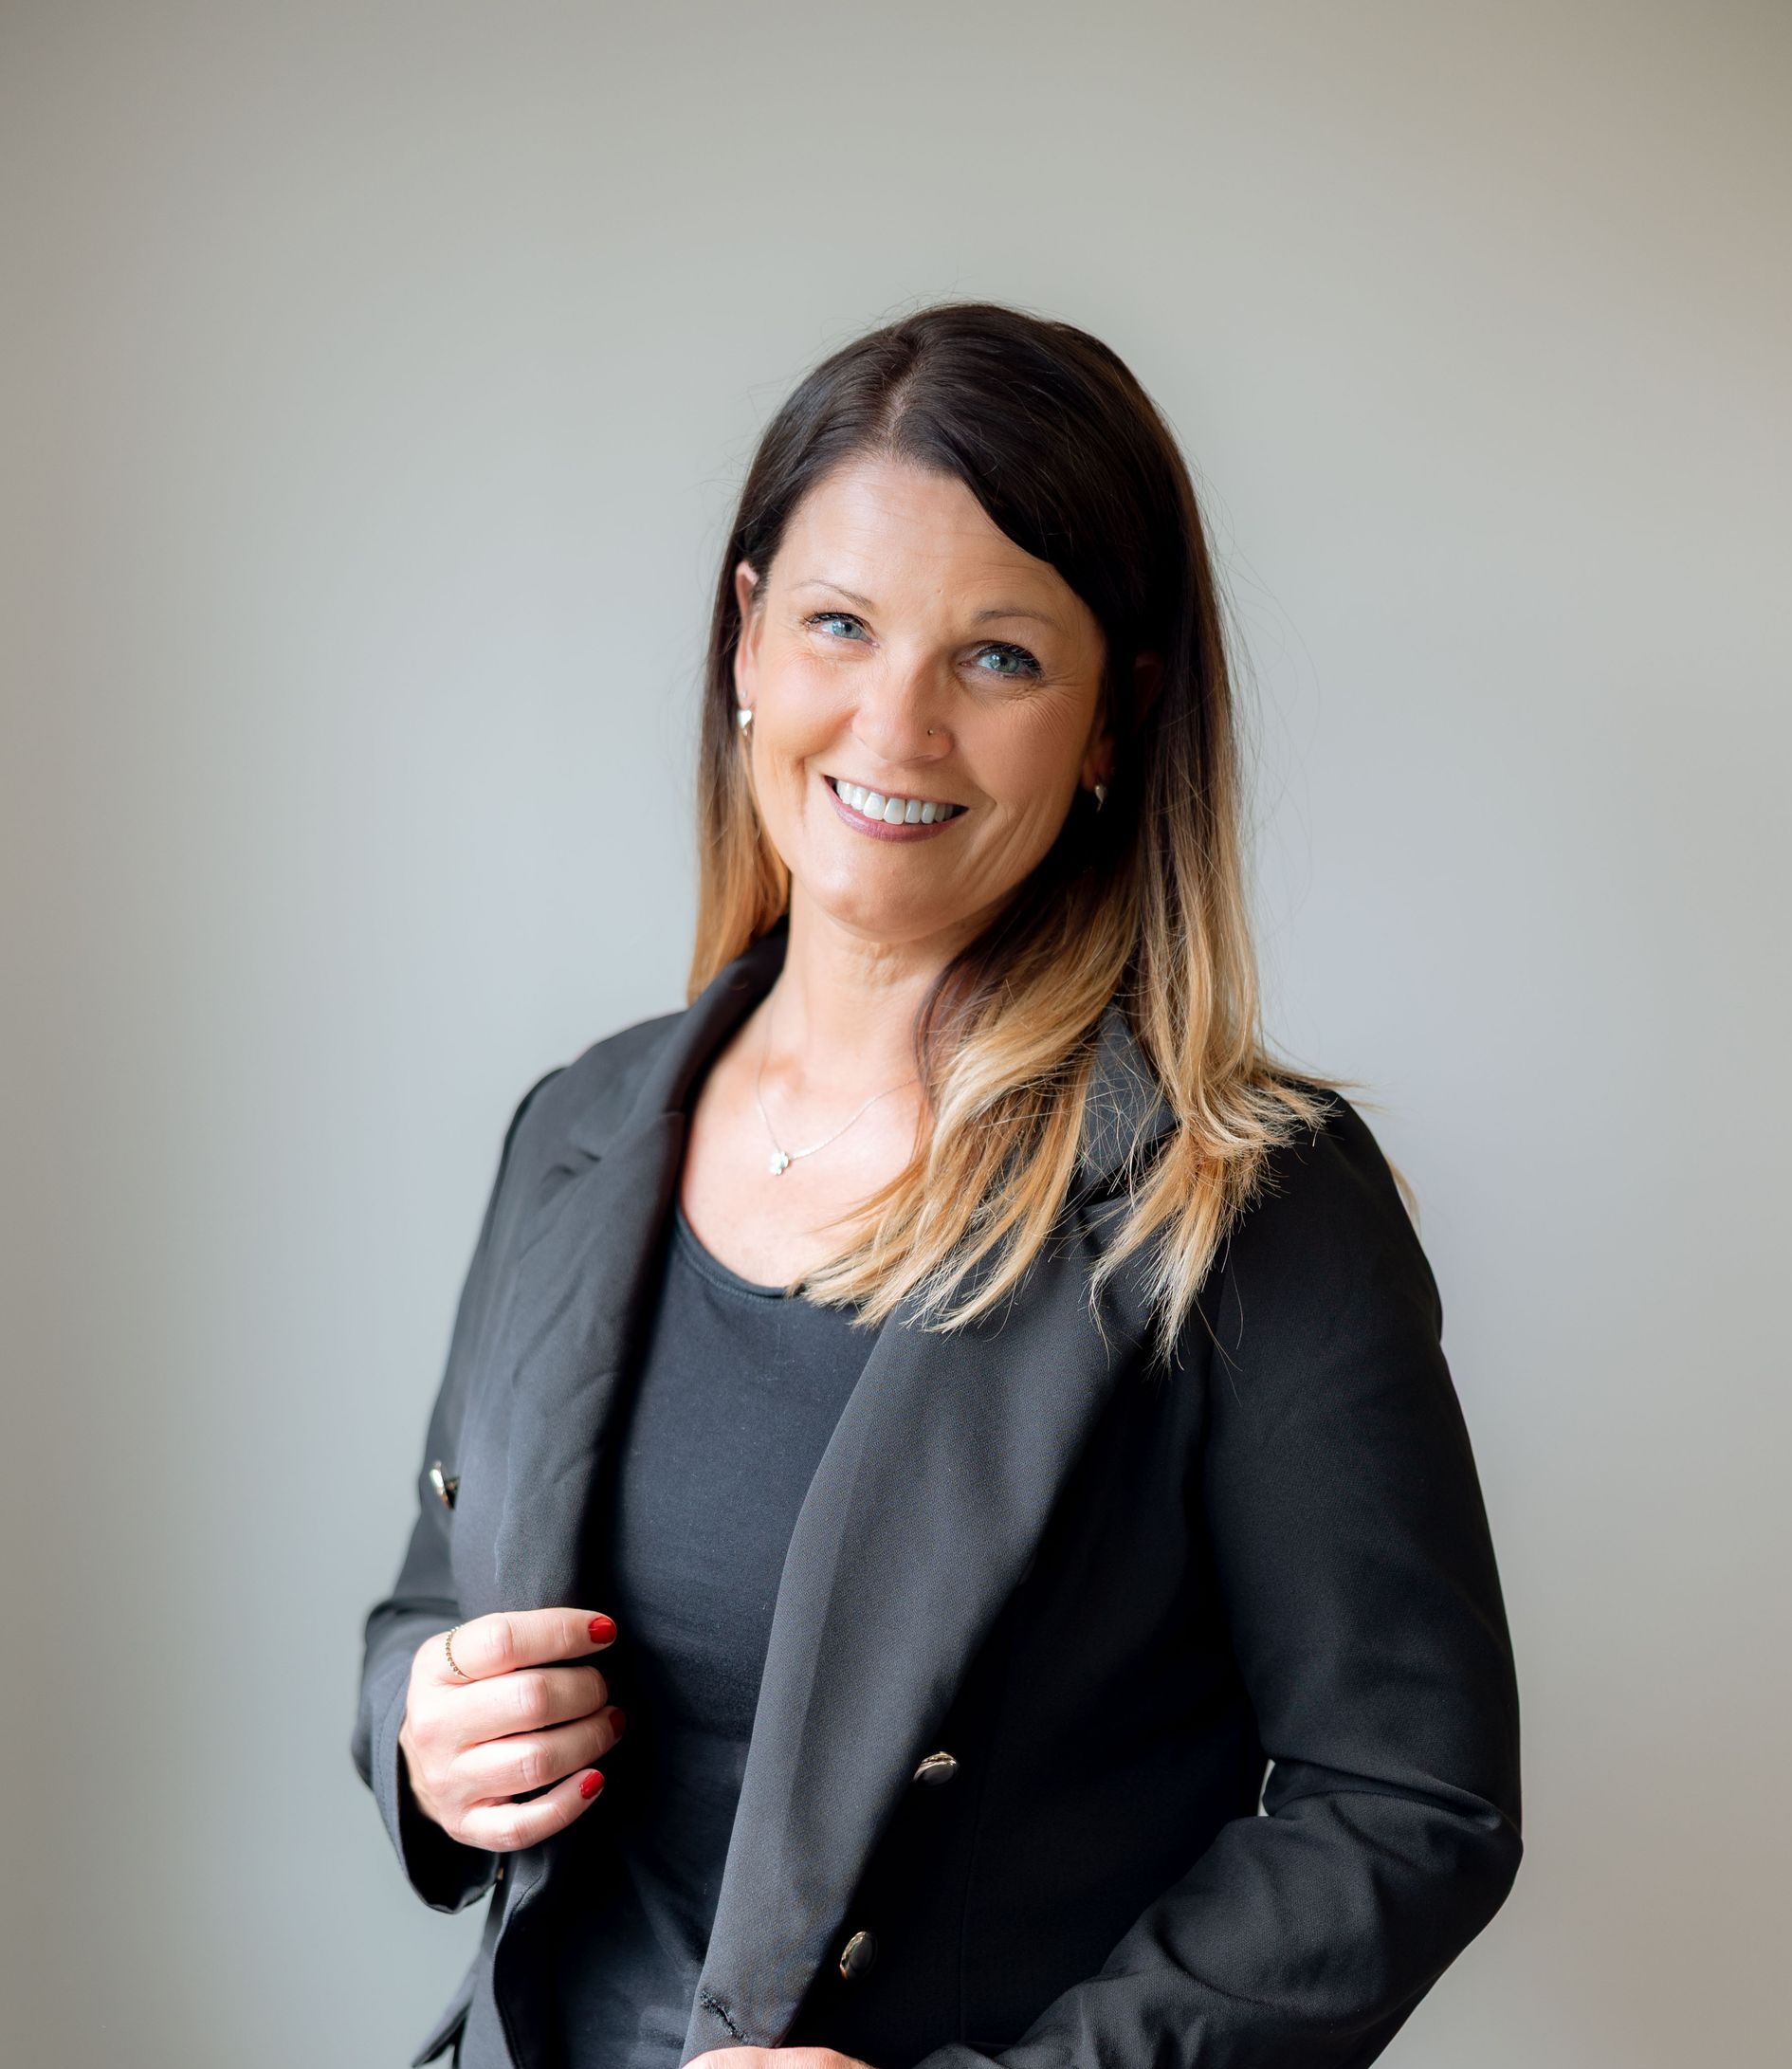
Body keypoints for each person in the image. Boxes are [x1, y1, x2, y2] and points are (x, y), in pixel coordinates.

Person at [350, 300, 1523, 2069]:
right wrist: (426, 1732)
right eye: (839, 623)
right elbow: (429, 1603)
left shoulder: (1242, 1198)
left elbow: (1407, 1796)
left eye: (997, 658)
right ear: (745, 636)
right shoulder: (576, 1127)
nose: (893, 727)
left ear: (1113, 714)